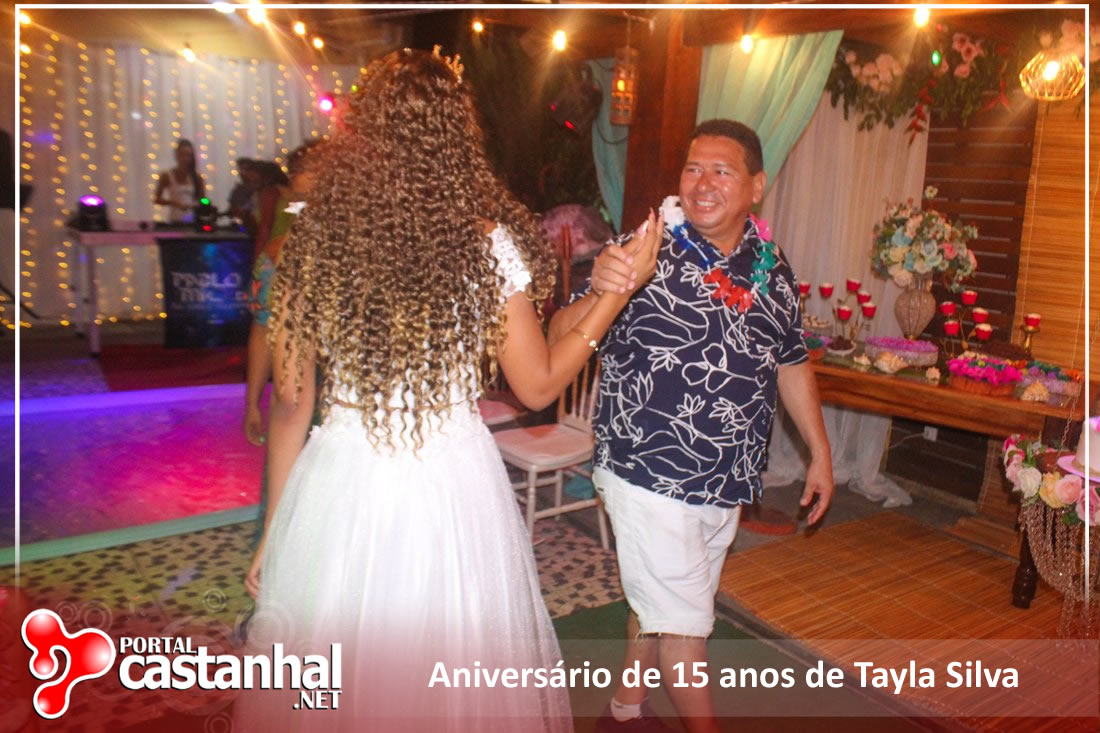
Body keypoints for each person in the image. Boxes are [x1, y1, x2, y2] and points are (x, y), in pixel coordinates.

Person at [234, 47, 661, 732]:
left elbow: (290, 405)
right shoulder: (485, 246)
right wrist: (617, 293)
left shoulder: (312, 240)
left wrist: (276, 532)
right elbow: (538, 385)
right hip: (451, 485)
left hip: (341, 484)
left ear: (362, 134)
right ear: (457, 138)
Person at [549, 119, 834, 733]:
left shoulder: (771, 267)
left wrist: (820, 451)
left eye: (721, 171)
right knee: (684, 631)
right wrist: (597, 288)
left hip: (726, 479)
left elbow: (790, 360)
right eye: (693, 169)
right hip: (647, 471)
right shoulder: (644, 246)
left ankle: (624, 709)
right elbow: (557, 335)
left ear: (756, 186)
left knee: (666, 603)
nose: (703, 183)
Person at [243, 143, 319, 449]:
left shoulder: (366, 259)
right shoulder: (274, 258)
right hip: (295, 410)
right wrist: (252, 403)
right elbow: (263, 329)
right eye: (299, 201)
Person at [153, 138, 205, 223]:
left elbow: (203, 199)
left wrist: (195, 204)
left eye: (188, 155)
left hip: (193, 220)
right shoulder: (167, 175)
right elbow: (157, 199)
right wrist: (174, 202)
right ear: (176, 155)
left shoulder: (197, 177)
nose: (185, 159)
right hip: (175, 220)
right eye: (182, 155)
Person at [228, 157, 262, 234]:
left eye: (246, 169)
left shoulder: (261, 189)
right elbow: (232, 210)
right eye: (240, 169)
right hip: (241, 228)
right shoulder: (238, 190)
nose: (243, 173)